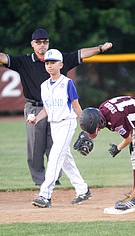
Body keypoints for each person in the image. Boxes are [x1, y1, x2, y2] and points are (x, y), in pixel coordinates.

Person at [0, 28, 113, 186]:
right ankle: (39, 180)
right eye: (38, 42)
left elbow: (80, 54)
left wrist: (100, 48)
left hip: (58, 108)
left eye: (45, 42)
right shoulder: (25, 61)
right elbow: (4, 58)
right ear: (32, 44)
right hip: (34, 108)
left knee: (55, 145)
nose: (42, 45)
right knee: (35, 147)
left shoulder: (58, 59)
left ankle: (54, 179)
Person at [27, 49, 90, 207]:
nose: (49, 65)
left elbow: (76, 106)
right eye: (47, 63)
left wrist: (85, 129)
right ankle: (83, 190)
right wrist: (36, 119)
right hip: (54, 125)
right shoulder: (44, 86)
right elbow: (46, 110)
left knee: (55, 157)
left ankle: (45, 195)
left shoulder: (67, 83)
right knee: (65, 160)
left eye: (53, 62)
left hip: (67, 123)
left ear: (61, 64)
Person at [79, 96, 135, 210]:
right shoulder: (102, 109)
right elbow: (127, 115)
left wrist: (117, 148)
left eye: (96, 128)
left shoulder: (115, 120)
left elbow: (128, 138)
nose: (97, 130)